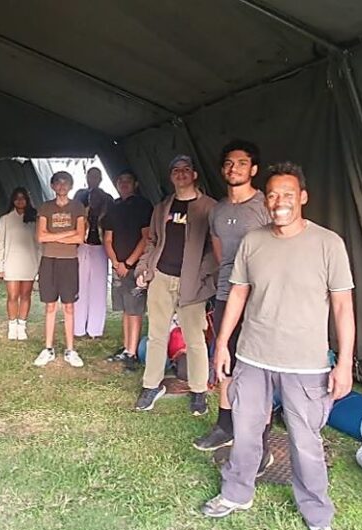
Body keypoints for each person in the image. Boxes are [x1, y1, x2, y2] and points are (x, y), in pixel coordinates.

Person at [201, 162, 355, 530]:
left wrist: (344, 363)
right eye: (272, 195)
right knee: (246, 430)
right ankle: (237, 493)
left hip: (306, 364)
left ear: (302, 197)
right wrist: (222, 344)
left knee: (306, 442)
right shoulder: (253, 241)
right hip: (253, 356)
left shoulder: (328, 244)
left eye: (287, 194)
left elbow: (343, 307)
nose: (279, 202)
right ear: (265, 200)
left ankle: (318, 517)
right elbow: (237, 293)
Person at [194, 140, 272, 454]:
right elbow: (221, 254)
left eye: (241, 163)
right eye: (228, 163)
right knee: (224, 357)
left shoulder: (265, 205)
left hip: (262, 296)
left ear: (253, 169)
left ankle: (261, 438)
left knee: (261, 366)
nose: (233, 168)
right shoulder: (218, 210)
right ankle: (225, 425)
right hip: (228, 293)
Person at [134, 155, 217, 413]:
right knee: (157, 334)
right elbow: (152, 241)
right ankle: (151, 385)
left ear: (194, 175)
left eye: (186, 169)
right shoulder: (162, 207)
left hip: (192, 282)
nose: (181, 174)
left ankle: (199, 391)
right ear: (171, 176)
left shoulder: (209, 207)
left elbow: (215, 249)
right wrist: (144, 268)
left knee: (195, 338)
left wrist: (201, 274)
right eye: (176, 170)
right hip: (161, 277)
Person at [34, 171, 87, 368]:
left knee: (69, 306)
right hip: (49, 260)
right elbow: (41, 236)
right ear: (53, 186)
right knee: (50, 306)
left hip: (69, 261)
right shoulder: (46, 207)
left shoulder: (77, 207)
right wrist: (68, 233)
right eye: (58, 183)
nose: (62, 186)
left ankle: (70, 350)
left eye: (66, 183)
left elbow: (80, 237)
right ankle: (48, 348)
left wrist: (54, 235)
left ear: (71, 186)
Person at [101, 169, 153, 369]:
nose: (123, 184)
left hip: (135, 266)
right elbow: (107, 239)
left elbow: (146, 237)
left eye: (128, 181)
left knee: (135, 310)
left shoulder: (143, 205)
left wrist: (129, 263)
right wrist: (115, 263)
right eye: (120, 180)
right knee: (125, 308)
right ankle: (126, 348)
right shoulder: (114, 206)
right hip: (118, 267)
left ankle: (132, 352)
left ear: (135, 184)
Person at [72, 167, 114, 338]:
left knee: (98, 287)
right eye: (91, 176)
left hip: (100, 245)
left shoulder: (108, 198)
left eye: (96, 176)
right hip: (81, 244)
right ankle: (78, 327)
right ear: (87, 178)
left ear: (101, 179)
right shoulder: (79, 195)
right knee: (80, 285)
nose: (93, 179)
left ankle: (95, 328)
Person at [0, 187, 41, 340]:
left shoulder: (35, 219)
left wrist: (40, 265)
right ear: (13, 200)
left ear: (27, 200)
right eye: (17, 198)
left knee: (26, 295)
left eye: (23, 198)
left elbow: (40, 244)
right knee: (13, 296)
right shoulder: (5, 219)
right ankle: (12, 326)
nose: (20, 201)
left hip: (30, 263)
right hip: (11, 263)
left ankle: (22, 326)